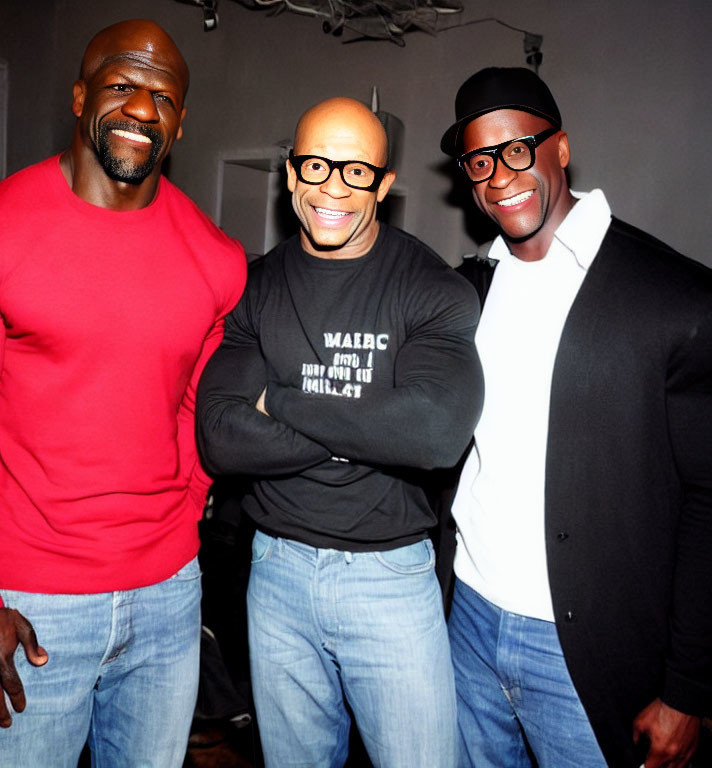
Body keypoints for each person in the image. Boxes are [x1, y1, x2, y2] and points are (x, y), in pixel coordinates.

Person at [0, 19, 246, 768]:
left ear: (181, 120)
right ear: (80, 97)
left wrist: (181, 514)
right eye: (122, 85)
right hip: (29, 603)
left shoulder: (216, 259)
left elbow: (192, 409)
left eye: (164, 96)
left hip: (170, 598)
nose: (143, 108)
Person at [196, 96, 483, 767]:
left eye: (357, 172)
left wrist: (281, 400)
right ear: (290, 174)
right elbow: (221, 437)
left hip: (390, 579)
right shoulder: (253, 286)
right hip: (276, 574)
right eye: (317, 166)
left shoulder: (431, 288)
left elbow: (435, 435)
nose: (333, 187)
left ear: (382, 185)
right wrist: (374, 422)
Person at [439, 66, 712, 768]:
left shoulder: (674, 297)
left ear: (561, 147)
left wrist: (687, 688)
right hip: (466, 619)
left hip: (587, 655)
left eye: (518, 148)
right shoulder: (466, 292)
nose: (501, 176)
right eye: (479, 159)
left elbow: (708, 503)